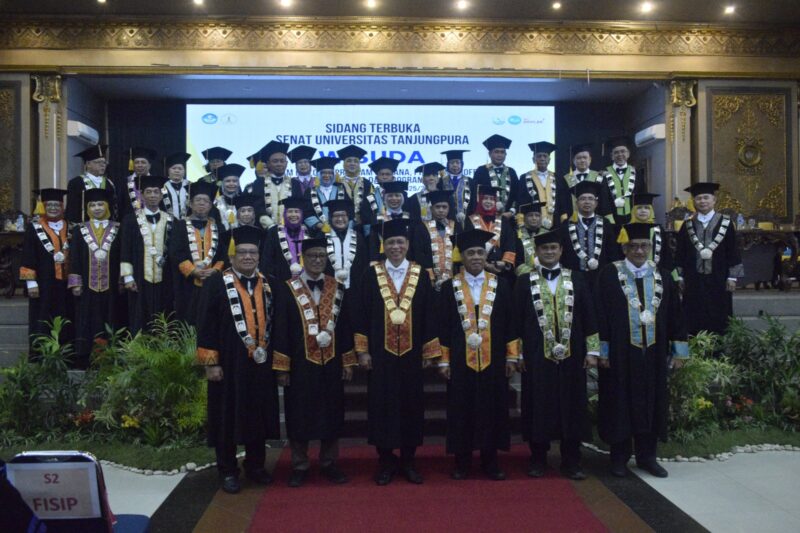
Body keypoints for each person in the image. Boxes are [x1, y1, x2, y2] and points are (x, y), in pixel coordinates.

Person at [595, 223, 688, 478]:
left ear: (650, 248)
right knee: (619, 403)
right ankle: (619, 457)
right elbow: (599, 314)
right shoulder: (608, 275)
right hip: (620, 354)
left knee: (652, 402)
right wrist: (602, 350)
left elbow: (676, 316)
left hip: (654, 354)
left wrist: (679, 351)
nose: (638, 251)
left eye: (643, 246)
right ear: (624, 248)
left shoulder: (663, 276)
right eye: (633, 246)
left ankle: (648, 457)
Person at [355, 218, 441, 486]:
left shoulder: (420, 274)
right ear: (384, 245)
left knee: (411, 405)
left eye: (400, 242)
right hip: (380, 355)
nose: (395, 247)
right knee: (382, 406)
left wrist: (429, 351)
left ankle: (408, 460)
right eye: (391, 242)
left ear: (407, 244)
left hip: (412, 355)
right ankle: (385, 461)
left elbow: (429, 314)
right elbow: (361, 314)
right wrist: (363, 351)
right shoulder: (371, 274)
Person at [195, 225, 280, 494]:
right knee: (226, 416)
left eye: (252, 252)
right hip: (229, 364)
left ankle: (255, 466)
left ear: (259, 255)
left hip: (260, 364)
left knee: (258, 415)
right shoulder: (216, 283)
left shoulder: (269, 284)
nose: (247, 257)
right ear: (232, 256)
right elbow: (205, 323)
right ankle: (228, 470)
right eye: (242, 252)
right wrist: (211, 363)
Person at [513, 229, 599, 480]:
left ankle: (572, 460)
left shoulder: (577, 279)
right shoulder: (524, 282)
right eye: (544, 248)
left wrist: (592, 350)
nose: (549, 252)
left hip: (573, 354)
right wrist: (517, 354)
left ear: (561, 251)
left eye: (553, 248)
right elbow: (515, 320)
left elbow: (589, 314)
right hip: (536, 354)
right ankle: (538, 458)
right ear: (537, 252)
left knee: (572, 404)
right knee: (538, 403)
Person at [272, 237, 356, 487]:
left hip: (331, 362)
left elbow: (346, 326)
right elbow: (281, 329)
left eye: (321, 256)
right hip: (300, 364)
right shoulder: (288, 289)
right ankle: (300, 465)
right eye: (312, 256)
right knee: (299, 414)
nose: (317, 260)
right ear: (303, 258)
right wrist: (282, 367)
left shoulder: (337, 287)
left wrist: (347, 361)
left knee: (332, 412)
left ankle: (329, 463)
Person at [439, 229, 518, 480]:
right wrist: (444, 360)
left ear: (486, 255)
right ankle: (462, 461)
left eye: (479, 253)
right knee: (461, 408)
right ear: (461, 256)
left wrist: (512, 356)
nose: (475, 257)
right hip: (460, 360)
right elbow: (443, 327)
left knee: (492, 408)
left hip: (493, 358)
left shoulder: (501, 285)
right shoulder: (449, 288)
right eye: (470, 253)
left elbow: (510, 323)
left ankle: (490, 460)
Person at [675, 182, 743, 335]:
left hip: (719, 277)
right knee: (693, 313)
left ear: (714, 200)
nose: (702, 201)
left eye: (706, 198)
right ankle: (694, 346)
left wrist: (732, 277)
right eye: (698, 198)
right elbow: (680, 253)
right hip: (693, 278)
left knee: (719, 314)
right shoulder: (687, 225)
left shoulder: (726, 223)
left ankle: (719, 347)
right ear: (694, 201)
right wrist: (679, 276)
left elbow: (733, 250)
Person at [67, 187, 121, 369]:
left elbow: (122, 256)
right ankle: (85, 357)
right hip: (87, 288)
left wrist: (122, 281)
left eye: (100, 204)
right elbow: (74, 257)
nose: (97, 208)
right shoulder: (79, 230)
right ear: (87, 208)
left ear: (107, 206)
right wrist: (75, 283)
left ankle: (110, 356)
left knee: (111, 317)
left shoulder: (117, 228)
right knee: (86, 319)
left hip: (111, 286)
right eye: (92, 205)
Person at [120, 175, 174, 334]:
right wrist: (128, 277)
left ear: (161, 195)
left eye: (156, 192)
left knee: (164, 314)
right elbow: (125, 248)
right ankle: (139, 346)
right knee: (139, 314)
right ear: (142, 195)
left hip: (165, 277)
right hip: (139, 276)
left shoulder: (171, 220)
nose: (152, 195)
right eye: (148, 192)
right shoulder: (130, 220)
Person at [19, 188, 73, 347]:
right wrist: (31, 282)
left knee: (67, 318)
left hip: (66, 284)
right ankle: (41, 355)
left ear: (62, 206)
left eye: (57, 205)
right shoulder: (34, 228)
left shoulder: (71, 226)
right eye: (49, 205)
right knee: (42, 318)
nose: (53, 208)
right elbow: (28, 255)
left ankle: (65, 353)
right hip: (43, 283)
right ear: (43, 206)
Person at [169, 180, 227, 325]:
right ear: (190, 203)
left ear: (211, 205)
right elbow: (176, 252)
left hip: (212, 282)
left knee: (211, 319)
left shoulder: (218, 227)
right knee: (187, 317)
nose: (202, 203)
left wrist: (215, 270)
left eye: (206, 201)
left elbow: (223, 254)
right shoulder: (180, 226)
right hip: (187, 283)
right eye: (198, 200)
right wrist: (192, 270)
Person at [558, 180, 620, 292]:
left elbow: (612, 251)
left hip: (600, 278)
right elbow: (562, 252)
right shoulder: (566, 224)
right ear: (576, 203)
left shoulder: (605, 223)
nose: (587, 202)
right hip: (573, 278)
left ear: (596, 203)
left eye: (591, 199)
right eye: (583, 199)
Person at [366, 181, 428, 267]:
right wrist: (374, 261)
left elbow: (416, 245)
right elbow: (373, 244)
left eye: (397, 195)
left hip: (409, 264)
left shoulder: (412, 218)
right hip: (383, 264)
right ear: (385, 198)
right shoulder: (377, 219)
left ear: (403, 198)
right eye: (390, 196)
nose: (394, 198)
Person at [463, 185, 516, 284]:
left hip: (501, 269)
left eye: (491, 199)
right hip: (478, 269)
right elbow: (468, 246)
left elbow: (510, 243)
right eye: (485, 198)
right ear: (480, 200)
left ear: (495, 201)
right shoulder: (470, 220)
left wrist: (504, 262)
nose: (488, 201)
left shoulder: (503, 221)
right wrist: (486, 265)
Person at [321, 199, 368, 302]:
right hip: (329, 291)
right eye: (336, 216)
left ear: (348, 217)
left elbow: (364, 264)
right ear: (330, 218)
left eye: (343, 215)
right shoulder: (322, 238)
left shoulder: (358, 237)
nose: (340, 219)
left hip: (355, 291)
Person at [518, 141, 569, 230]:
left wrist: (563, 220)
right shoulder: (524, 178)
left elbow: (564, 201)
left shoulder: (558, 178)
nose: (542, 159)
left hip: (556, 224)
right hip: (532, 225)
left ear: (549, 160)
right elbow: (521, 201)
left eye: (545, 156)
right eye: (539, 156)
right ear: (533, 159)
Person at [418, 189, 460, 291]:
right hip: (429, 279)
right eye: (437, 207)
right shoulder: (421, 227)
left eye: (444, 207)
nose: (441, 210)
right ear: (431, 208)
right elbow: (420, 253)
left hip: (454, 278)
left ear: (449, 208)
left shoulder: (456, 226)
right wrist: (430, 276)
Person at [245, 140, 293, 230]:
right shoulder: (259, 183)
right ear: (269, 164)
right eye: (275, 161)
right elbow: (258, 207)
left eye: (282, 161)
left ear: (286, 164)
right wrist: (271, 226)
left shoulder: (294, 183)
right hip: (265, 230)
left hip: (290, 230)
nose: (279, 164)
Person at [260, 197, 308, 281]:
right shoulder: (273, 232)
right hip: (281, 280)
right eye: (290, 211)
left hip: (305, 280)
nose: (293, 215)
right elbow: (267, 259)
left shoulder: (307, 232)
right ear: (285, 213)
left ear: (301, 214)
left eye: (297, 211)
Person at [559, 142, 610, 223]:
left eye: (585, 157)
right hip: (572, 220)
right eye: (578, 158)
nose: (582, 160)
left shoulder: (599, 177)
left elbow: (604, 202)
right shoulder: (566, 179)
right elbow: (563, 202)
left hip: (596, 221)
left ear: (590, 159)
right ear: (573, 160)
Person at [66, 144, 117, 223]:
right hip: (84, 226)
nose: (102, 165)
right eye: (98, 162)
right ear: (88, 164)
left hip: (106, 227)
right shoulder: (76, 183)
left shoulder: (109, 183)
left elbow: (113, 207)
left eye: (104, 162)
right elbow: (72, 209)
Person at [470, 134, 518, 218]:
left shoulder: (511, 172)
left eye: (502, 152)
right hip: (485, 217)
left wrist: (511, 212)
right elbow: (475, 195)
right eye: (496, 152)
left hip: (508, 217)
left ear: (505, 154)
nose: (499, 155)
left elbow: (517, 194)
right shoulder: (481, 171)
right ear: (490, 154)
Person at [602, 136, 646, 226]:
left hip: (633, 217)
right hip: (611, 218)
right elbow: (603, 199)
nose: (620, 154)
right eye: (616, 152)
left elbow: (641, 195)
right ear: (612, 156)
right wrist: (608, 219)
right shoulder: (604, 174)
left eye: (623, 151)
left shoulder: (637, 173)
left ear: (628, 154)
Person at [624, 192, 674, 273]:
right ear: (633, 210)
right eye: (639, 208)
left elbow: (666, 253)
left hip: (656, 272)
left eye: (647, 208)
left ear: (651, 210)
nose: (643, 211)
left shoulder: (658, 229)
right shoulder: (626, 229)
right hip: (631, 272)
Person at [336, 145, 374, 230]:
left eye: (356, 161)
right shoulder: (337, 184)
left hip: (363, 227)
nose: (352, 163)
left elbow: (373, 206)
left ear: (359, 165)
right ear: (344, 164)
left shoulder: (367, 184)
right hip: (341, 225)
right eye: (349, 161)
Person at [305, 156, 346, 233]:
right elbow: (306, 212)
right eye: (323, 173)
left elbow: (348, 209)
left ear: (334, 175)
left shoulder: (341, 189)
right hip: (318, 232)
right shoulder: (310, 191)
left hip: (340, 230)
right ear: (318, 175)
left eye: (330, 173)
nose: (327, 175)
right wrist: (320, 225)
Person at [361, 157, 400, 236]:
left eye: (388, 174)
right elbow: (367, 219)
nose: (384, 177)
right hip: (376, 236)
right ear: (376, 178)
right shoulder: (370, 197)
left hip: (398, 234)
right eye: (382, 174)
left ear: (393, 178)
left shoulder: (401, 195)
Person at [117, 146, 156, 220]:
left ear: (149, 165)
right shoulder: (125, 182)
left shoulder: (156, 182)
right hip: (129, 222)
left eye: (143, 162)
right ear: (133, 165)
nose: (140, 165)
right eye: (137, 162)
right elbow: (120, 206)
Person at [513, 201, 545, 275]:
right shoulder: (517, 235)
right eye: (530, 215)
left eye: (537, 215)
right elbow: (517, 260)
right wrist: (534, 274)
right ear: (524, 218)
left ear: (541, 217)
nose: (534, 218)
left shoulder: (547, 233)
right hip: (524, 275)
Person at [439, 149, 471, 223]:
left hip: (467, 220)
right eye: (452, 163)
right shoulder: (441, 182)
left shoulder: (470, 182)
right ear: (447, 165)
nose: (455, 165)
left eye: (457, 162)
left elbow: (473, 202)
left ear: (462, 164)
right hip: (446, 220)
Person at [211, 163, 245, 231]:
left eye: (234, 181)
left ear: (238, 184)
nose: (231, 184)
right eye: (228, 181)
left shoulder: (244, 201)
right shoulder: (215, 203)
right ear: (222, 184)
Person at [162, 152, 191, 219]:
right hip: (168, 221)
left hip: (188, 222)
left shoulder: (191, 186)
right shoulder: (163, 186)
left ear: (184, 171)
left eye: (180, 169)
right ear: (168, 170)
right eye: (174, 168)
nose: (177, 171)